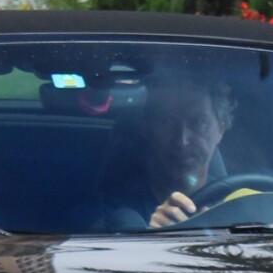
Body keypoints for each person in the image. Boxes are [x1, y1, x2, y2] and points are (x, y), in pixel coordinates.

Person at [80, 72, 237, 231]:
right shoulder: (106, 213)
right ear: (147, 128)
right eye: (167, 121)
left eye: (199, 123)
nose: (181, 141)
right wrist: (152, 237)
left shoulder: (240, 204)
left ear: (221, 130)